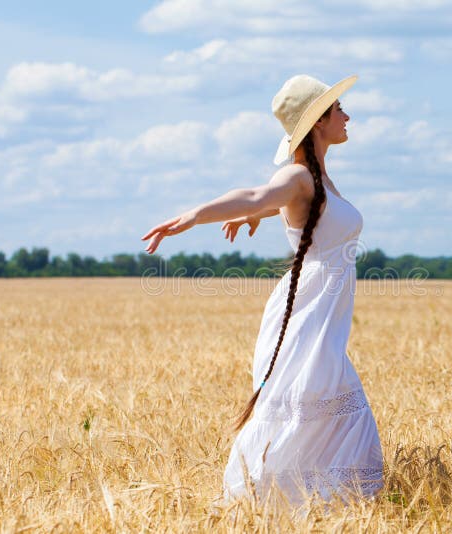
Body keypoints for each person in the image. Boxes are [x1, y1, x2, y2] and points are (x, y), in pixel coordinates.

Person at [141, 74, 384, 510]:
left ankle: (317, 504)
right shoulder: (297, 176)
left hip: (319, 311)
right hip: (304, 313)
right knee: (323, 405)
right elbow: (258, 193)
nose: (347, 115)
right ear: (319, 123)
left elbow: (285, 206)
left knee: (325, 404)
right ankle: (270, 499)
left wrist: (266, 214)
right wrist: (196, 216)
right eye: (338, 109)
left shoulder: (315, 179)